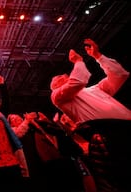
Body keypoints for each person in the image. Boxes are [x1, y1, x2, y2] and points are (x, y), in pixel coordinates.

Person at [50, 38, 131, 192]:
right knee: (120, 176)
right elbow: (78, 81)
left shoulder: (94, 89)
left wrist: (98, 56)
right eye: (58, 78)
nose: (64, 75)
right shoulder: (58, 96)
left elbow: (120, 74)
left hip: (126, 127)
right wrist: (78, 62)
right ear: (55, 86)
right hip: (105, 132)